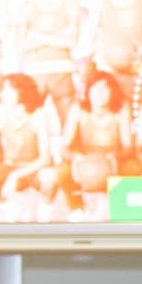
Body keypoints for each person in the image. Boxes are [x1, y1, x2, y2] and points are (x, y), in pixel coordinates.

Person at [0, 72, 59, 206]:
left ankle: (44, 215)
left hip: (34, 168)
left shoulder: (38, 115)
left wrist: (16, 175)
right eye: (2, 90)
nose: (2, 94)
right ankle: (7, 208)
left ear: (22, 92)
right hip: (9, 165)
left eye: (7, 90)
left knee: (49, 178)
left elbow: (45, 159)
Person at [17, 0, 82, 121]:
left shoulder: (70, 3)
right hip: (34, 72)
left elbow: (71, 42)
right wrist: (56, 37)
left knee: (69, 123)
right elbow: (21, 44)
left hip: (62, 70)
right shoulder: (28, 4)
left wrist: (37, 35)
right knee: (30, 124)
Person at [58, 72, 136, 213]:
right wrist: (75, 157)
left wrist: (115, 156)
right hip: (86, 161)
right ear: (88, 92)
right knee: (62, 171)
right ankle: (77, 209)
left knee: (133, 168)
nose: (99, 93)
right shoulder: (78, 109)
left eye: (104, 88)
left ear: (112, 92)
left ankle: (119, 208)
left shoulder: (121, 109)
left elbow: (128, 148)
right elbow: (63, 147)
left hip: (112, 160)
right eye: (95, 88)